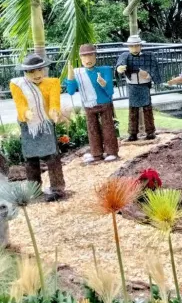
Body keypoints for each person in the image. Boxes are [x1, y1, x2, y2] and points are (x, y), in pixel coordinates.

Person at [9, 54, 66, 201]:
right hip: (28, 126)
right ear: (25, 72)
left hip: (45, 124)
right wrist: (25, 113)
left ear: (43, 69)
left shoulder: (52, 83)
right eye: (31, 72)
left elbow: (54, 102)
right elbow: (20, 104)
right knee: (31, 160)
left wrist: (55, 112)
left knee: (52, 157)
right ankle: (34, 190)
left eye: (39, 70)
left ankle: (57, 189)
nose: (36, 74)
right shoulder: (17, 85)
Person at [66, 44, 119, 163]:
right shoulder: (78, 73)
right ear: (80, 59)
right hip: (88, 106)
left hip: (104, 104)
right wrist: (70, 76)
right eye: (84, 57)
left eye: (90, 56)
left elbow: (110, 92)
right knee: (92, 129)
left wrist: (103, 83)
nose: (88, 60)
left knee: (108, 127)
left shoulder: (105, 70)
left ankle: (111, 152)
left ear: (95, 56)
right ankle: (96, 153)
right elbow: (70, 91)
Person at [116, 34, 161, 141]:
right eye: (132, 46)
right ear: (128, 47)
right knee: (133, 110)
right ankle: (132, 133)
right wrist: (119, 69)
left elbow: (154, 69)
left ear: (140, 46)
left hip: (144, 85)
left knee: (147, 109)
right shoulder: (124, 56)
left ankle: (150, 132)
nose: (134, 48)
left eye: (136, 46)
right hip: (132, 86)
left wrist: (148, 75)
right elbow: (119, 65)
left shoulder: (149, 56)